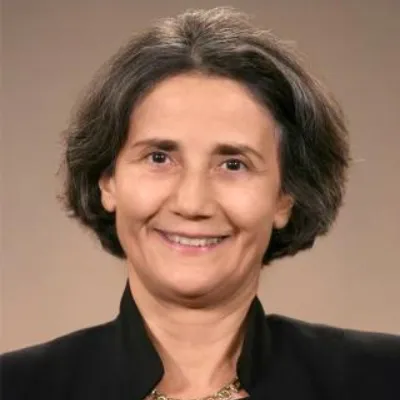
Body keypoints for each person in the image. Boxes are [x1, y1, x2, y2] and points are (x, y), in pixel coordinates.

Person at [1, 7, 399, 400]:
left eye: (233, 164)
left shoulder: (384, 379)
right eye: (159, 157)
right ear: (108, 181)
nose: (192, 203)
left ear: (285, 197)